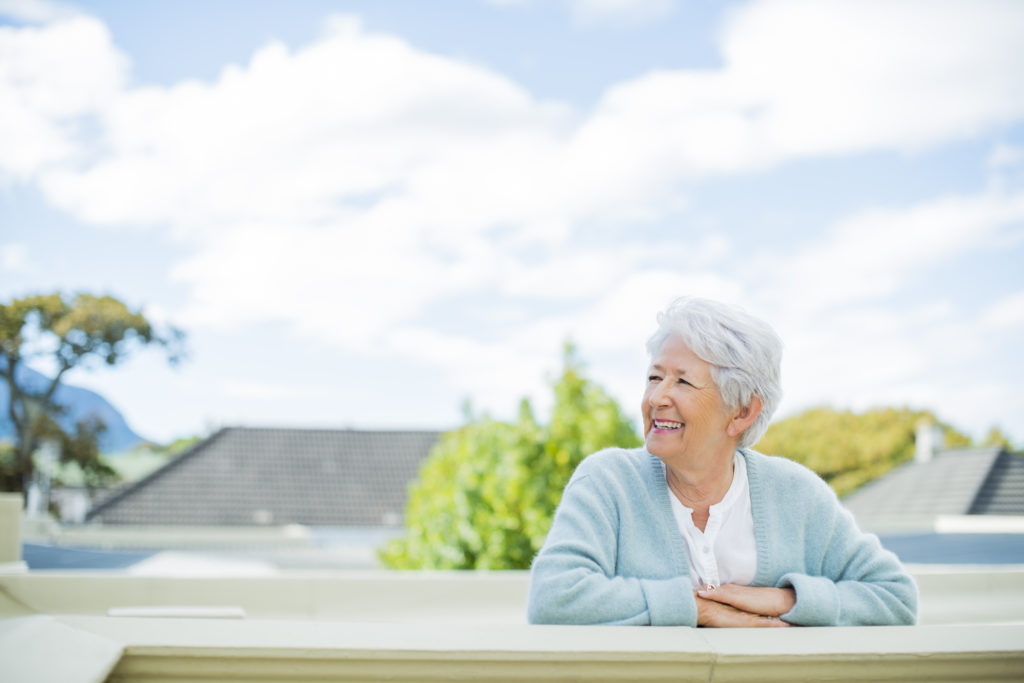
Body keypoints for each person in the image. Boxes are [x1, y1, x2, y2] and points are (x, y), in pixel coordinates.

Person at [527, 297, 917, 627]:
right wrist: (698, 609)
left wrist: (784, 600)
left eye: (682, 381)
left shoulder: (797, 494)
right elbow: (553, 596)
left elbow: (895, 597)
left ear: (742, 412)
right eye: (653, 377)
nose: (657, 397)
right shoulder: (607, 482)